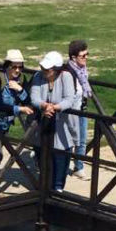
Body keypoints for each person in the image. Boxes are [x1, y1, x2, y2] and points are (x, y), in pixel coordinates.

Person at [0, 49, 34, 186]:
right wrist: (18, 109)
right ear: (7, 66)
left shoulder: (21, 80)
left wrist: (20, 90)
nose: (17, 70)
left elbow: (29, 101)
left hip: (5, 124)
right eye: (14, 66)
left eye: (20, 67)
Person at [29, 51, 80, 194]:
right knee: (42, 158)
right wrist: (44, 106)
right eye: (43, 68)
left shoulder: (66, 77)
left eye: (48, 69)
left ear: (56, 70)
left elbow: (69, 99)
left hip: (62, 126)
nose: (44, 71)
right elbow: (34, 98)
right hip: (43, 124)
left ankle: (58, 189)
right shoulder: (38, 76)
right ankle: (44, 188)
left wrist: (55, 107)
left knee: (60, 160)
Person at [66, 40, 92, 179]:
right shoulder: (68, 72)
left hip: (82, 108)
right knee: (69, 140)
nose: (86, 57)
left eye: (87, 54)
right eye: (83, 56)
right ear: (73, 58)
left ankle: (79, 167)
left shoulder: (82, 71)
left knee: (82, 139)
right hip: (70, 111)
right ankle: (63, 167)